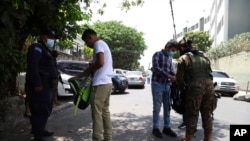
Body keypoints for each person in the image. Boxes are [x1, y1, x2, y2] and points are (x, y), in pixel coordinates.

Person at [69, 28, 113, 141]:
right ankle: (108, 138)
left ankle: (97, 138)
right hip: (107, 83)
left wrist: (82, 74)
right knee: (105, 112)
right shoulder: (103, 44)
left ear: (90, 37)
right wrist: (93, 65)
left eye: (86, 41)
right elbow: (100, 63)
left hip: (100, 84)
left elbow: (100, 63)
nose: (86, 44)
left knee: (96, 114)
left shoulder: (98, 44)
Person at [176, 38, 215, 141]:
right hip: (209, 87)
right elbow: (209, 72)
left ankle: (188, 138)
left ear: (183, 48)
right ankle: (208, 138)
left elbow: (179, 79)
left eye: (180, 49)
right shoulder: (204, 55)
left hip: (195, 88)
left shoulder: (184, 58)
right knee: (207, 114)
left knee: (192, 114)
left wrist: (181, 90)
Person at [26, 29, 58, 141]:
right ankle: (37, 135)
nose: (52, 40)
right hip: (40, 85)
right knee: (39, 109)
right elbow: (33, 66)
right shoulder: (37, 48)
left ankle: (41, 129)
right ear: (44, 37)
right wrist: (37, 83)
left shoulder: (46, 49)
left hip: (47, 85)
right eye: (51, 37)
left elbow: (48, 65)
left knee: (46, 108)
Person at [151, 39, 178, 138]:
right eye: (172, 50)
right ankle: (156, 128)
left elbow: (171, 71)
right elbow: (156, 68)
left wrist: (175, 76)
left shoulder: (169, 59)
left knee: (167, 108)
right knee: (157, 107)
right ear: (167, 46)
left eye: (174, 51)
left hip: (167, 85)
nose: (173, 52)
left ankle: (167, 127)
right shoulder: (157, 54)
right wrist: (169, 76)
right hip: (157, 84)